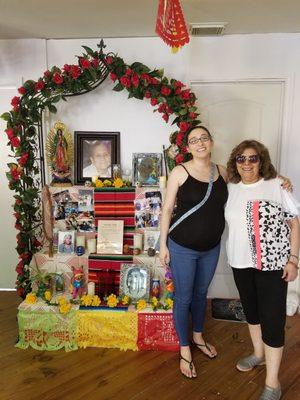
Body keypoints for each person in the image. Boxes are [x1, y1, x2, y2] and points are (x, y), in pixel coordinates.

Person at [225, 140, 299, 400]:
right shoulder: (231, 186)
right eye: (241, 159)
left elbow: (294, 223)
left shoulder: (278, 185)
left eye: (253, 158)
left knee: (273, 319)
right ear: (235, 162)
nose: (247, 163)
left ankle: (272, 383)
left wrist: (293, 259)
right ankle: (258, 354)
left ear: (262, 161)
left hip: (272, 265)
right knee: (252, 312)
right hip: (239, 262)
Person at [159, 126, 228, 378]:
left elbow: (248, 187)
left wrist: (278, 182)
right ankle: (185, 348)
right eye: (194, 140)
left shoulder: (222, 172)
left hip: (211, 247)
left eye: (204, 138)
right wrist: (162, 245)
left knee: (201, 294)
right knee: (184, 297)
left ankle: (198, 336)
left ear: (211, 142)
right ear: (188, 147)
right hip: (182, 247)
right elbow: (167, 210)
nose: (200, 143)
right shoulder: (180, 171)